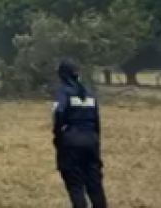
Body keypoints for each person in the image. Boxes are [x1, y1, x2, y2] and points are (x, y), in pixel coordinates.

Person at [52, 59, 108, 208]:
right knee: (94, 183)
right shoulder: (89, 92)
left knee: (75, 184)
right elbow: (97, 121)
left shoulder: (63, 91)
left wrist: (58, 136)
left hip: (71, 141)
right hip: (91, 141)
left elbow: (58, 112)